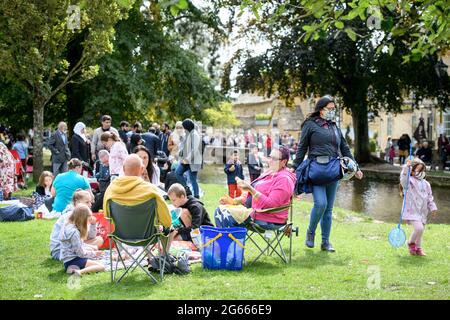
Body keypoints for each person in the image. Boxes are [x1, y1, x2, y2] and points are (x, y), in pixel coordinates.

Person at [293, 95, 363, 252]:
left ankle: (325, 242)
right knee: (321, 204)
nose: (333, 112)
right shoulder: (310, 125)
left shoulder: (334, 126)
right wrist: (294, 168)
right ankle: (311, 232)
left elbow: (344, 148)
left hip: (333, 169)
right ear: (321, 109)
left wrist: (356, 168)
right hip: (316, 169)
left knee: (329, 209)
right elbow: (301, 148)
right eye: (330, 109)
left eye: (334, 109)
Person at [216, 147, 296, 230]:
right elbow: (252, 195)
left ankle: (231, 241)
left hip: (267, 217)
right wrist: (235, 201)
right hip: (254, 211)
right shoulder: (270, 172)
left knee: (221, 212)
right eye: (270, 157)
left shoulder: (284, 179)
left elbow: (271, 204)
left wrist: (251, 189)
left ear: (284, 162)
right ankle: (232, 241)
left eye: (274, 158)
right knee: (221, 208)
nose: (270, 160)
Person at [103, 154, 171, 228]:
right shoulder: (152, 191)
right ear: (142, 169)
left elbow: (107, 216)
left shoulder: (110, 189)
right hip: (148, 238)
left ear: (123, 168)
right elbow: (167, 222)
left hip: (119, 237)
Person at [50, 190, 103, 260]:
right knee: (94, 247)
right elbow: (64, 239)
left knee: (99, 240)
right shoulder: (70, 215)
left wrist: (93, 224)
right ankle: (82, 255)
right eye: (87, 202)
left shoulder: (83, 214)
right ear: (77, 202)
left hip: (74, 243)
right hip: (61, 250)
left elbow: (90, 236)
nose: (90, 205)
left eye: (90, 202)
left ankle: (85, 252)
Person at [401, 158, 437, 256]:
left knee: (420, 232)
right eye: (419, 170)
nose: (421, 173)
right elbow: (403, 179)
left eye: (423, 171)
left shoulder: (426, 184)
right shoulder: (409, 182)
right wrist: (406, 168)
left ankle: (418, 249)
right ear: (412, 172)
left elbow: (430, 197)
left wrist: (432, 207)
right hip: (412, 210)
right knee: (419, 229)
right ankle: (410, 242)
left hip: (423, 212)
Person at [59, 204, 105, 276]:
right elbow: (80, 253)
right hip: (73, 260)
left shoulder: (68, 225)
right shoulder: (74, 232)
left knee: (93, 248)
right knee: (101, 266)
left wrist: (92, 250)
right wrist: (94, 254)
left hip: (68, 258)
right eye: (88, 219)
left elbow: (78, 246)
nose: (89, 222)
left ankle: (73, 268)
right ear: (82, 219)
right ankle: (79, 271)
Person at [176, 119, 202, 199]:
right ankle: (187, 189)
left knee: (192, 178)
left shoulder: (195, 134)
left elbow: (194, 149)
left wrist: (187, 159)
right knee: (178, 172)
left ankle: (196, 196)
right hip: (187, 160)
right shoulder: (188, 134)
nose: (183, 129)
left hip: (192, 161)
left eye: (184, 127)